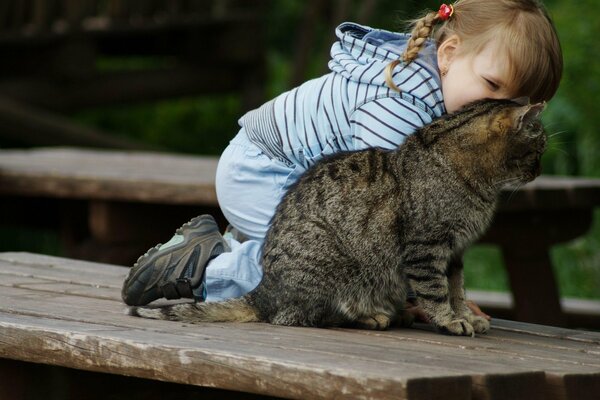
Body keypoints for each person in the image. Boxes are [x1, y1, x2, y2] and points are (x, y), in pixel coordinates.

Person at [121, 0, 562, 323]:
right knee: (308, 270)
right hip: (261, 167)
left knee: (319, 260)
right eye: (492, 84)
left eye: (515, 102)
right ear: (447, 55)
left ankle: (219, 246)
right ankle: (204, 266)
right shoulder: (403, 104)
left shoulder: (441, 96)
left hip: (294, 174)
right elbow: (384, 216)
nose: (501, 113)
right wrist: (429, 297)